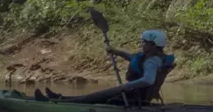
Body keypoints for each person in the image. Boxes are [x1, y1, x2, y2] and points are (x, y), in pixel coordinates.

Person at [37, 30, 175, 105]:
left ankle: (55, 103)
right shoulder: (153, 58)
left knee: (91, 98)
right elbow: (134, 60)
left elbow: (148, 80)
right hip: (133, 93)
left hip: (132, 96)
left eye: (144, 42)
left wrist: (123, 87)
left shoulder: (152, 62)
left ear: (152, 45)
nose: (142, 45)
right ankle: (59, 98)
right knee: (91, 96)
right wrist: (116, 51)